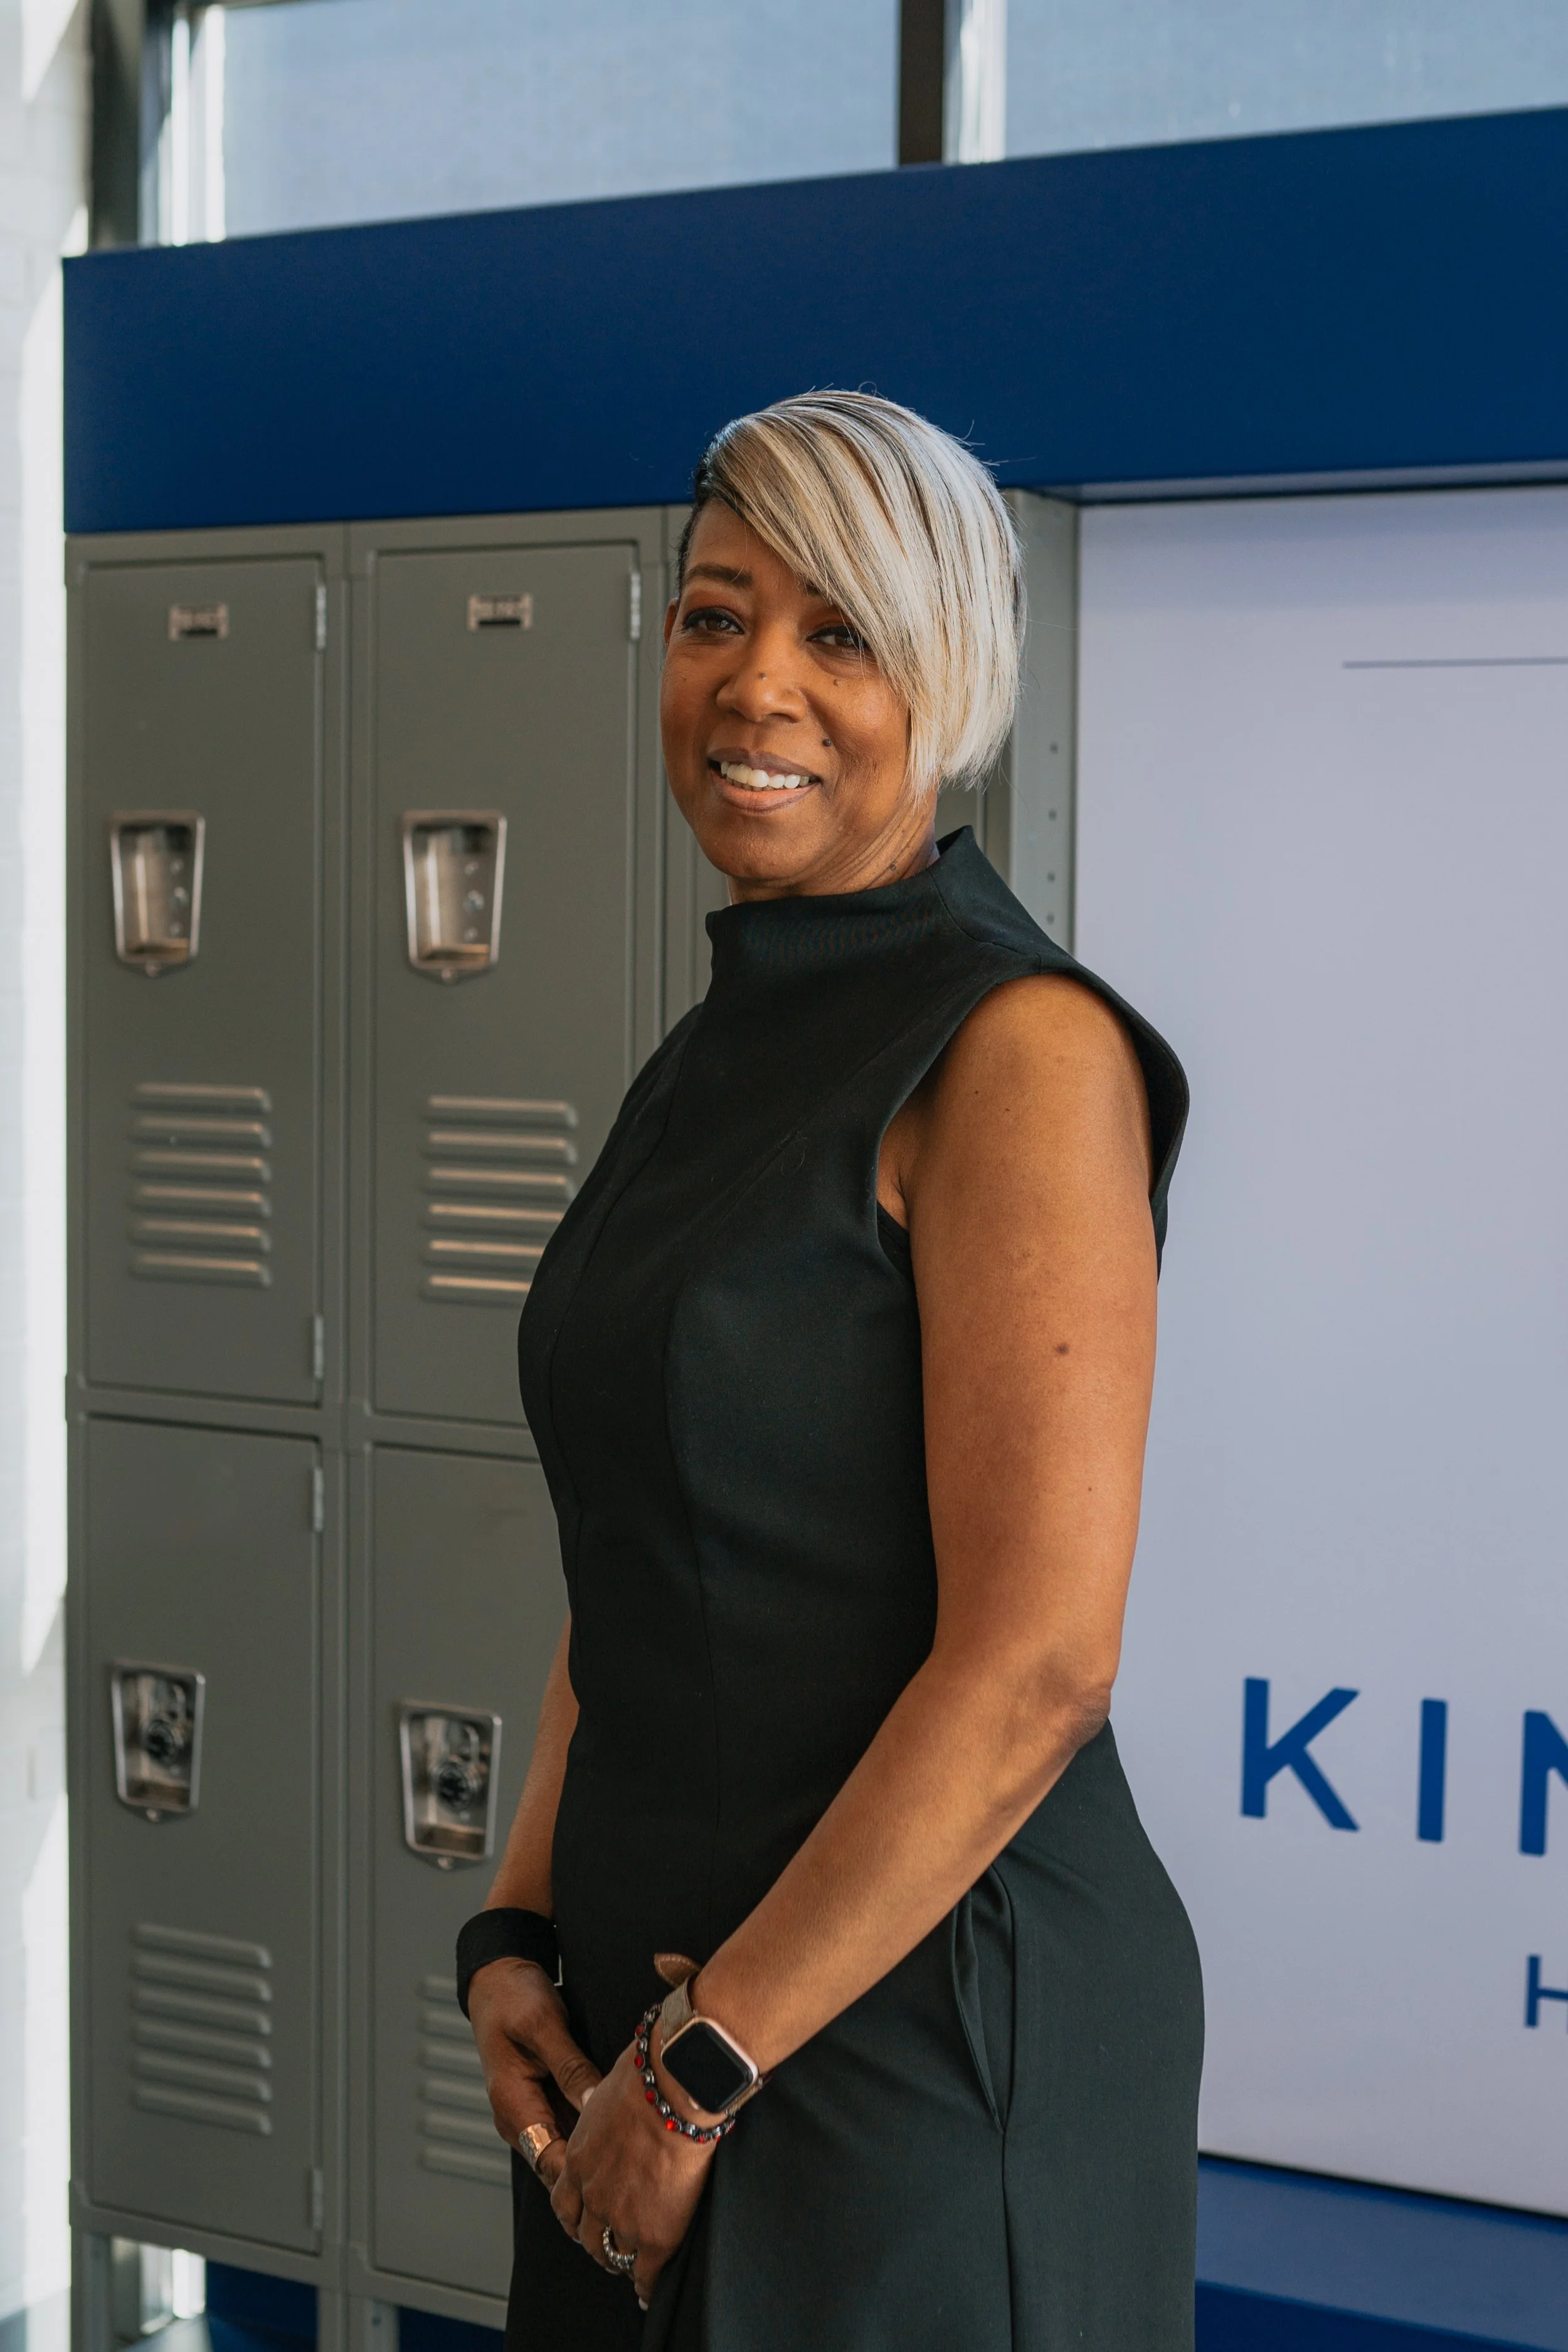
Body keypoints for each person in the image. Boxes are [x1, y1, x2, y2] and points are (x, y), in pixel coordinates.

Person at [457, 390, 1202, 2351]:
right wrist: (517, 1930)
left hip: (908, 2046)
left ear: (948, 672)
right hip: (649, 2030)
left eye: (838, 631)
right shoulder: (719, 1041)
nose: (755, 684)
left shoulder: (1017, 1044)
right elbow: (625, 1531)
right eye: (713, 617)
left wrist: (704, 2066)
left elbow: (1041, 1655)